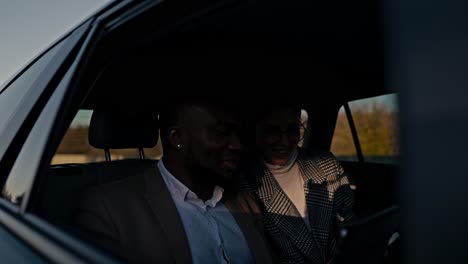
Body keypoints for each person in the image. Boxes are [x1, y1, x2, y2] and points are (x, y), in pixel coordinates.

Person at [76, 102, 275, 263]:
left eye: (237, 134)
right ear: (177, 138)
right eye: (221, 133)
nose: (237, 145)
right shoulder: (109, 208)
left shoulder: (245, 200)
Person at [241, 105, 355, 264]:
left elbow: (350, 222)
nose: (285, 140)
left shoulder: (326, 164)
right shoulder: (244, 182)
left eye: (293, 129)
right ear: (256, 130)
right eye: (273, 130)